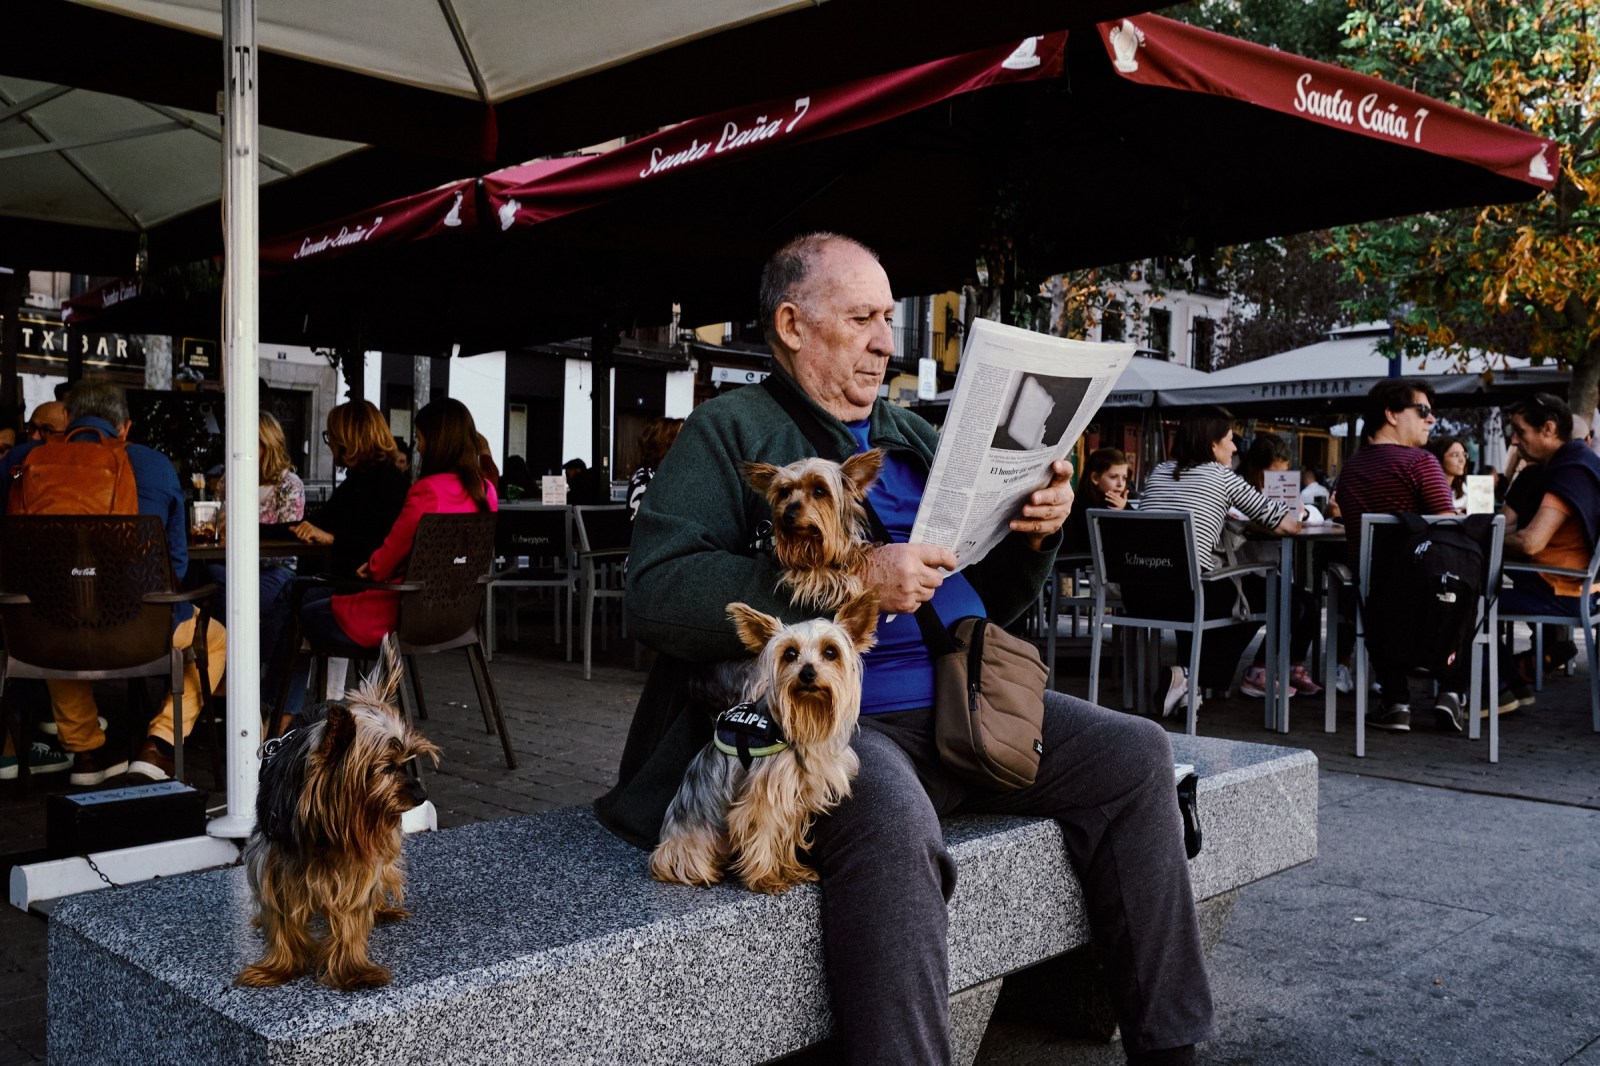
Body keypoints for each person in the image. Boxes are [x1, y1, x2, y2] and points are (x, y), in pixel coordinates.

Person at [601, 233, 1213, 1066]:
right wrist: (852, 578)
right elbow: (655, 592)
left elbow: (993, 598)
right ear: (791, 323)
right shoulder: (730, 428)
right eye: (862, 319)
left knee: (1139, 752)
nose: (887, 339)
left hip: (969, 706)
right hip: (827, 731)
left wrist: (1037, 534)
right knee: (890, 815)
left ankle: (1171, 1047)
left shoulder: (915, 435)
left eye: (888, 318)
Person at [0, 379, 227, 784]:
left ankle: (88, 754)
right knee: (216, 637)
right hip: (139, 633)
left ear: (67, 419)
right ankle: (158, 746)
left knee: (53, 611)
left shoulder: (20, 460)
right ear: (124, 428)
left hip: (40, 637)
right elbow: (174, 563)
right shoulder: (154, 465)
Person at [270, 398, 498, 720]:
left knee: (297, 608)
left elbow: (382, 564)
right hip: (454, 617)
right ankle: (302, 712)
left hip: (394, 615)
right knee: (301, 597)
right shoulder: (486, 491)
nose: (417, 448)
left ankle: (279, 715)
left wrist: (372, 562)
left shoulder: (427, 490)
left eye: (420, 438)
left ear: (438, 441)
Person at [1136, 412, 1302, 711]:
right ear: (1213, 445)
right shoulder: (1221, 475)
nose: (1236, 448)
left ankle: (1189, 684)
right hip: (1190, 596)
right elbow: (1287, 525)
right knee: (1282, 595)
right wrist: (1300, 513)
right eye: (1230, 440)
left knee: (1212, 584)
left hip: (1140, 594)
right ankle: (1192, 677)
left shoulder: (1158, 472)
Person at [1328, 379, 1458, 731]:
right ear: (1390, 414)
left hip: (1374, 600)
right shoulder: (1420, 463)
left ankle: (1397, 700)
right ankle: (1452, 689)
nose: (1432, 420)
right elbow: (1450, 529)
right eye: (1423, 411)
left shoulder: (1351, 469)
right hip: (1428, 602)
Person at [1495, 394, 1600, 712]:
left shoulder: (1571, 471)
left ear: (1549, 428)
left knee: (1465, 601)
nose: (1513, 441)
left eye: (1519, 431)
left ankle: (1499, 689)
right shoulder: (1580, 463)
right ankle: (1513, 679)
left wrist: (1483, 535)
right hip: (1586, 587)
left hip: (1563, 590)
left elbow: (1531, 543)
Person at [290, 401, 411, 580]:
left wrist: (333, 539)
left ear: (348, 441)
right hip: (348, 585)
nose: (329, 444)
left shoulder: (386, 483)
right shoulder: (362, 480)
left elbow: (383, 544)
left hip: (360, 590)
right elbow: (315, 522)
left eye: (331, 436)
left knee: (289, 594)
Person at [1062, 445, 1130, 554]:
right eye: (1113, 477)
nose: (1120, 484)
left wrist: (1125, 510)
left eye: (1124, 478)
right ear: (1095, 478)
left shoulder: (1125, 503)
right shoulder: (1078, 505)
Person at [626, 416, 685, 521]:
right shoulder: (643, 478)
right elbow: (642, 527)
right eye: (682, 438)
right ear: (664, 444)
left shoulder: (677, 477)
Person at [1426, 434, 1469, 513]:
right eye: (1455, 455)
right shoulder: (1431, 488)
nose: (1462, 460)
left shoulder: (1461, 487)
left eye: (1464, 455)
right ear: (1439, 459)